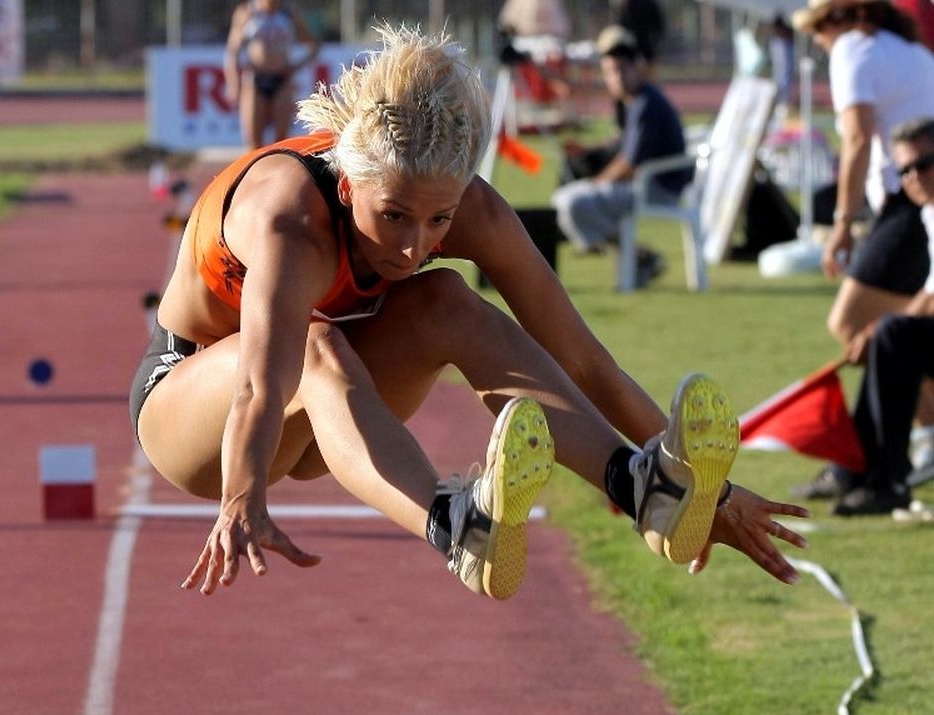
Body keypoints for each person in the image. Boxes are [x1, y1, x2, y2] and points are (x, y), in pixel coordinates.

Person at [130, 24, 808, 601]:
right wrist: (243, 495)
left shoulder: (471, 210)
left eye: (436, 221)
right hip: (201, 417)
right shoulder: (289, 223)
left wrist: (706, 495)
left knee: (449, 299)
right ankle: (457, 526)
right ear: (346, 182)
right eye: (392, 216)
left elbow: (580, 356)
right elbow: (259, 384)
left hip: (332, 406)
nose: (412, 245)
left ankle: (639, 487)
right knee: (310, 345)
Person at [795, 117, 934, 514]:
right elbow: (929, 292)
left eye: (924, 164)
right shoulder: (928, 212)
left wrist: (880, 331)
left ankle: (886, 480)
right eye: (905, 170)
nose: (914, 177)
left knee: (892, 336)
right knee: (890, 337)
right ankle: (860, 469)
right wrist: (877, 331)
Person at [551, 26, 690, 285]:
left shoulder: (646, 103)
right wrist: (588, 150)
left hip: (656, 187)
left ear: (637, 67)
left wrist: (597, 183)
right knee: (563, 199)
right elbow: (623, 144)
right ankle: (638, 257)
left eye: (621, 70)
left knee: (571, 203)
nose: (617, 78)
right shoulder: (636, 101)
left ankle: (636, 256)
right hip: (646, 184)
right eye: (610, 72)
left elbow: (630, 162)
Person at [223, 0, 320, 149]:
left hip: (281, 80)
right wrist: (233, 82)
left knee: (281, 141)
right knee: (253, 143)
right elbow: (233, 50)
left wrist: (295, 67)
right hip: (255, 79)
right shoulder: (247, 12)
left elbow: (313, 46)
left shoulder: (288, 14)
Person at [613, 0, 665, 71]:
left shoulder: (648, 4)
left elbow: (658, 25)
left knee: (645, 68)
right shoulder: (628, 4)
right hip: (633, 43)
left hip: (643, 43)